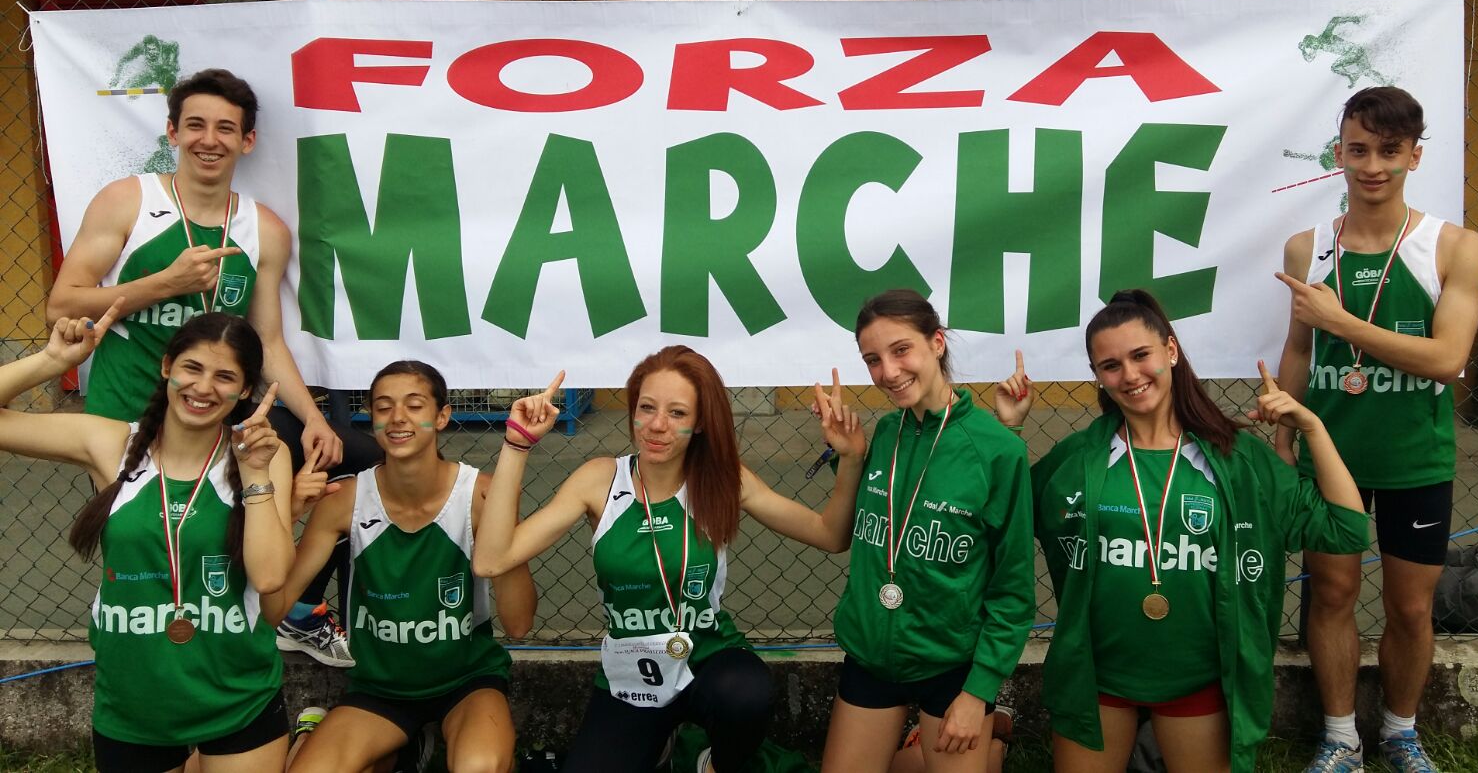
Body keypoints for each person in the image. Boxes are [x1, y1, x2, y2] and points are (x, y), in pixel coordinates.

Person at [46, 67, 380, 666]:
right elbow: (63, 303)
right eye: (195, 125)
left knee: (352, 459)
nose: (209, 139)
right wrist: (163, 284)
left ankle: (300, 611)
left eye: (226, 128)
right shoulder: (129, 201)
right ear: (173, 131)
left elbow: (267, 340)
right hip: (130, 419)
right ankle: (143, 646)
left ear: (246, 141)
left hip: (216, 415)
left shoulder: (263, 229)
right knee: (156, 542)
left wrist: (312, 419)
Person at [997, 289, 1369, 773]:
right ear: (1097, 376)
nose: (1130, 375)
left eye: (1141, 355)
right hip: (1097, 677)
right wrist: (1008, 431)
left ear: (1170, 351)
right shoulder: (1078, 458)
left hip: (1199, 677)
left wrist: (1313, 427)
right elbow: (1000, 519)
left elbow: (1346, 528)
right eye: (1110, 366)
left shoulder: (1238, 458)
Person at [473, 346, 867, 773]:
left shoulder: (724, 479)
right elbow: (491, 561)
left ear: (700, 422)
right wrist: (517, 444)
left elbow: (830, 535)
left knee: (747, 694)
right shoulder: (600, 480)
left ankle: (712, 764)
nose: (657, 425)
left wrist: (848, 457)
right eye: (647, 408)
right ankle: (658, 746)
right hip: (633, 673)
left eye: (677, 413)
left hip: (707, 657)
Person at [1271, 86, 1478, 773]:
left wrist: (1342, 323)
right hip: (1330, 455)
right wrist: (1283, 429)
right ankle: (1340, 739)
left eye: (1389, 151)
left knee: (1410, 607)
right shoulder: (1307, 248)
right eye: (1358, 150)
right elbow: (1300, 349)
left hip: (1415, 458)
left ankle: (1400, 732)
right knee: (1332, 594)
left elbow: (1447, 359)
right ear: (1338, 153)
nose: (1373, 166)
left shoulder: (1454, 246)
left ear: (1414, 156)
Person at [0, 305, 315, 772]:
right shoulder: (112, 443)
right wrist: (51, 361)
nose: (203, 387)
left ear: (246, 389)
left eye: (225, 377)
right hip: (134, 703)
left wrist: (254, 474)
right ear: (167, 367)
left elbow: (270, 578)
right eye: (192, 368)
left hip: (237, 696)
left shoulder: (263, 455)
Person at [264, 360, 537, 773]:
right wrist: (287, 514)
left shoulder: (480, 494)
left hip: (466, 683)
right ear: (371, 418)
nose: (397, 417)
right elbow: (275, 607)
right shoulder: (344, 499)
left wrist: (503, 540)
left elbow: (518, 624)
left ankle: (414, 747)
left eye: (414, 405)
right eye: (383, 406)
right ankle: (389, 749)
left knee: (480, 766)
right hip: (379, 690)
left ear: (442, 416)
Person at [819, 290, 1034, 773]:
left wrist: (978, 692)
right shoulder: (884, 434)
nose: (888, 372)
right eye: (873, 360)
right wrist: (847, 455)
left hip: (952, 667)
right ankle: (963, 748)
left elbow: (1014, 591)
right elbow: (878, 516)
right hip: (873, 656)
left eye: (901, 350)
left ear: (937, 343)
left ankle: (986, 741)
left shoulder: (999, 450)